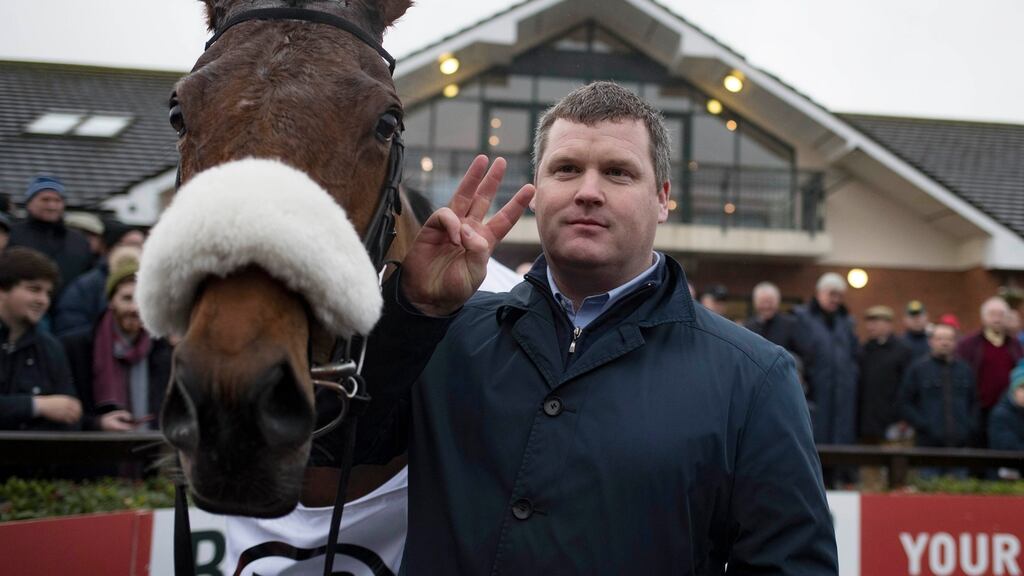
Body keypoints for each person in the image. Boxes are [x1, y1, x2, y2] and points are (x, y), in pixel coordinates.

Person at [357, 81, 837, 573]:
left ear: (663, 198)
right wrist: (411, 309)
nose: (588, 192)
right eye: (566, 170)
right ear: (537, 191)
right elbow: (336, 448)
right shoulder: (443, 330)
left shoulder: (755, 377)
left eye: (617, 172)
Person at [61, 259, 170, 432]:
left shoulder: (163, 350)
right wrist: (98, 424)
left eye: (142, 300)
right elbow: (64, 410)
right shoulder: (78, 347)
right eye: (127, 298)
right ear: (111, 301)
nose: (135, 308)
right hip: (96, 451)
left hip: (150, 448)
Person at [0, 248, 80, 432]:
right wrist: (36, 406)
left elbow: (69, 412)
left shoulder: (50, 347)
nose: (43, 300)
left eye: (47, 293)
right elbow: (52, 406)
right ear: (3, 290)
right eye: (34, 289)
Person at [899, 322, 977, 477]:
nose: (944, 342)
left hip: (960, 447)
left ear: (955, 342)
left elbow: (974, 403)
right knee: (929, 495)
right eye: (940, 338)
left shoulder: (965, 370)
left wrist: (969, 426)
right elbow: (904, 403)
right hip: (928, 447)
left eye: (949, 339)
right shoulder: (918, 369)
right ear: (931, 341)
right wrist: (923, 425)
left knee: (960, 496)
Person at [794, 272, 859, 448]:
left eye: (839, 295)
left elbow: (853, 355)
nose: (836, 300)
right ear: (819, 293)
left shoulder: (846, 322)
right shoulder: (801, 319)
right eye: (832, 294)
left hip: (842, 395)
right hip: (815, 393)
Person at [52, 223, 146, 336]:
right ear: (110, 248)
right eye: (131, 244)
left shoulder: (153, 284)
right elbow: (70, 326)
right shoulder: (85, 286)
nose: (138, 250)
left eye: (142, 244)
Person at [8, 176, 94, 297]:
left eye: (57, 200)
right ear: (29, 203)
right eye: (45, 200)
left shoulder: (79, 240)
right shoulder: (12, 234)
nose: (52, 206)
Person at [956, 296, 1023, 446]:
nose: (997, 319)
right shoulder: (968, 344)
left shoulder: (1015, 345)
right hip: (979, 408)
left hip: (1010, 409)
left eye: (1001, 315)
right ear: (983, 317)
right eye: (992, 314)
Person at [857, 306, 913, 444]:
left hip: (893, 425)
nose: (870, 327)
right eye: (868, 322)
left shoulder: (902, 351)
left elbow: (908, 388)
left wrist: (903, 417)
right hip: (866, 425)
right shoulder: (863, 351)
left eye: (875, 322)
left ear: (888, 324)